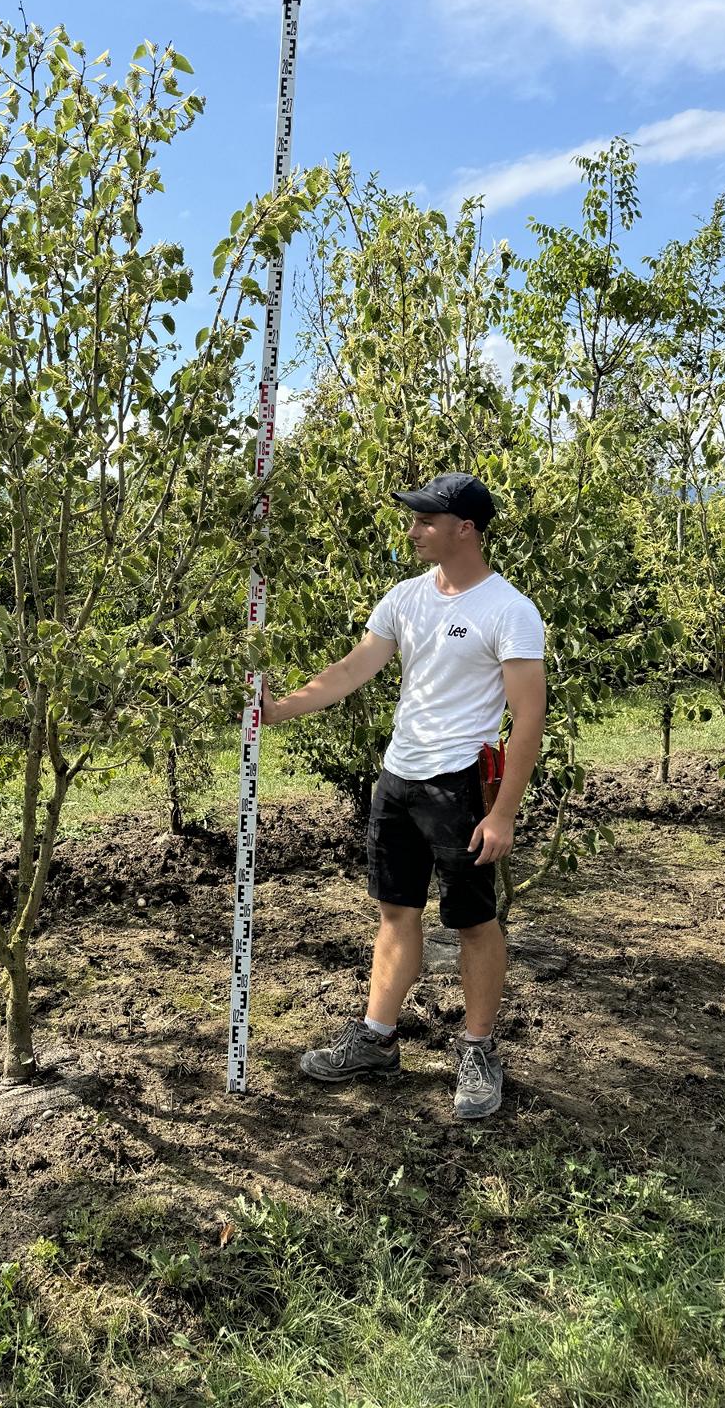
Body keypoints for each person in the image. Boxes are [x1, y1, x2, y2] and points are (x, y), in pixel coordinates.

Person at [261, 473, 546, 1119]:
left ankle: (477, 1049)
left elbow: (529, 715)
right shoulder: (405, 598)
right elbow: (353, 669)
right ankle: (376, 1039)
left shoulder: (508, 610)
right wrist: (279, 710)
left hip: (458, 789)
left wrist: (503, 813)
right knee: (395, 913)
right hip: (397, 779)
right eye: (413, 519)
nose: (413, 531)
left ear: (465, 528)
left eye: (425, 520)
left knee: (473, 923)